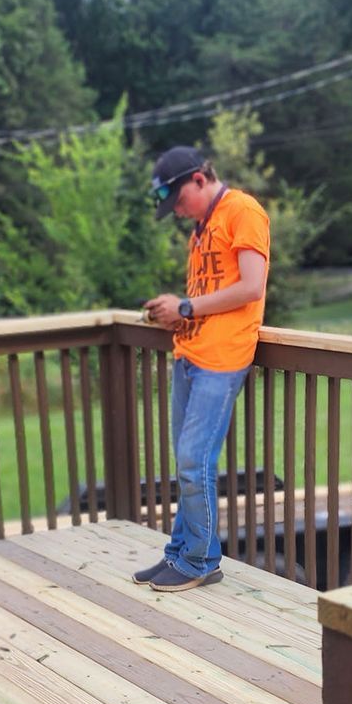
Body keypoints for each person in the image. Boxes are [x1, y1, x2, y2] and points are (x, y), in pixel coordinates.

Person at [139, 145, 271, 592]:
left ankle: (201, 560)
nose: (177, 212)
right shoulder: (200, 229)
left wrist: (187, 305)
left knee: (196, 462)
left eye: (178, 201)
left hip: (224, 358)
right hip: (190, 354)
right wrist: (175, 313)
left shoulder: (243, 211)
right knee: (186, 464)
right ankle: (179, 552)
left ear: (198, 179)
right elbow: (207, 295)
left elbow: (251, 288)